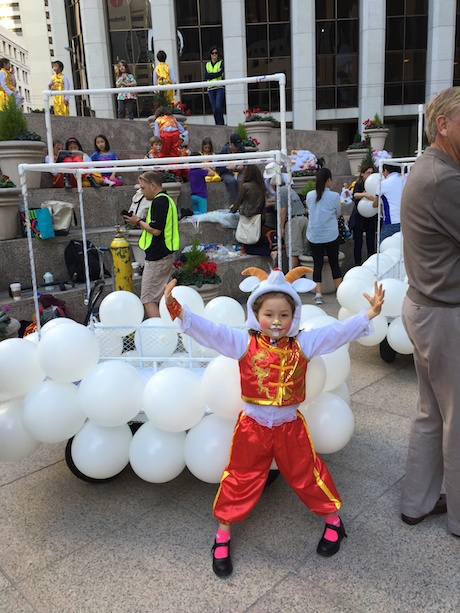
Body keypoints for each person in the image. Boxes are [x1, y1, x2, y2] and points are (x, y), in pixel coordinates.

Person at [164, 267, 385, 577]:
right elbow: (211, 331)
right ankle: (223, 535)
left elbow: (336, 334)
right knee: (240, 478)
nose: (277, 321)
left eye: (284, 314)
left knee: (307, 474)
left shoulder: (303, 344)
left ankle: (334, 521)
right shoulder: (243, 342)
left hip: (290, 427)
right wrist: (179, 311)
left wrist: (368, 314)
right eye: (269, 314)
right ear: (256, 315)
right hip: (251, 428)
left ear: (293, 317)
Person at [400, 86, 460, 537]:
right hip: (444, 314)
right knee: (455, 417)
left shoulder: (430, 166)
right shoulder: (444, 179)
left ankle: (416, 503)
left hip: (425, 307)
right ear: (444, 125)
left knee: (431, 412)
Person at [121, 171, 179, 318]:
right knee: (162, 298)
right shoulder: (167, 199)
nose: (141, 191)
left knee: (148, 299)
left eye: (143, 188)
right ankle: (169, 332)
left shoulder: (159, 201)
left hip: (157, 257)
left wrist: (137, 222)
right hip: (164, 254)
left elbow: (155, 230)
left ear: (153, 186)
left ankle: (161, 336)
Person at [306, 167, 342, 304]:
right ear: (328, 180)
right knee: (334, 264)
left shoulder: (310, 195)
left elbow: (310, 211)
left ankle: (318, 294)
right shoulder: (334, 196)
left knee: (317, 264)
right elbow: (338, 213)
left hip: (314, 235)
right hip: (331, 234)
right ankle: (340, 292)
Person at [231, 165, 275, 260]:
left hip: (248, 217)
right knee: (257, 241)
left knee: (248, 247)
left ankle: (271, 253)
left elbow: (238, 202)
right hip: (260, 217)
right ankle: (271, 251)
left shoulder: (245, 186)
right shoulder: (261, 186)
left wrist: (233, 210)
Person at [269, 176, 308, 268]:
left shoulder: (279, 191)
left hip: (294, 222)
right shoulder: (289, 190)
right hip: (303, 219)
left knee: (293, 252)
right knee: (304, 251)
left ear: (274, 186)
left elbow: (283, 210)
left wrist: (281, 228)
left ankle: (292, 278)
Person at [350, 163, 378, 265]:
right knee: (358, 243)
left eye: (371, 172)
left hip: (371, 216)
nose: (370, 175)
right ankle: (357, 264)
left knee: (371, 242)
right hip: (358, 217)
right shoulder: (359, 184)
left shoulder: (375, 184)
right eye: (368, 173)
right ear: (362, 174)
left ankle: (371, 264)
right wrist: (365, 194)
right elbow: (355, 195)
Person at [372, 163, 402, 241]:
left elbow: (375, 204)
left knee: (384, 246)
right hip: (405, 221)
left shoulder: (383, 184)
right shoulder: (404, 180)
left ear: (385, 171)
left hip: (391, 221)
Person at [217, 133, 246, 204]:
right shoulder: (224, 151)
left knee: (241, 180)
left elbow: (247, 162)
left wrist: (243, 166)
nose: (237, 148)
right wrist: (227, 167)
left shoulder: (242, 149)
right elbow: (218, 167)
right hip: (227, 173)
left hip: (239, 172)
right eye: (235, 145)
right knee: (231, 181)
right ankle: (234, 204)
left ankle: (243, 203)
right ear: (230, 143)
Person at [204, 46, 225, 125]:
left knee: (218, 106)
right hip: (211, 89)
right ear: (210, 54)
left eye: (216, 53)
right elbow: (206, 76)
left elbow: (220, 74)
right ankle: (217, 124)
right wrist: (215, 74)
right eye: (213, 53)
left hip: (219, 87)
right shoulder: (207, 64)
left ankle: (221, 123)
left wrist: (211, 75)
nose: (214, 54)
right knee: (214, 109)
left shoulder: (221, 63)